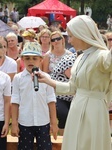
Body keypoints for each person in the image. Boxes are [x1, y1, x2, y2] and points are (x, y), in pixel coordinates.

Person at [37, 15, 112, 150]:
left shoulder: (102, 55)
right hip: (77, 106)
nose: (69, 40)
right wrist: (48, 81)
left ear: (81, 34)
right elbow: (73, 87)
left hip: (94, 109)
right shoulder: (80, 57)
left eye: (71, 36)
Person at [11, 41, 58, 150]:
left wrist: (54, 123)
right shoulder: (18, 78)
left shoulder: (46, 78)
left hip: (43, 122)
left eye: (34, 58)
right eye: (27, 58)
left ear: (41, 59)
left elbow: (51, 101)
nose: (31, 61)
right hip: (25, 122)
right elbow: (15, 102)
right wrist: (14, 123)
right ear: (22, 59)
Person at [42, 30, 76, 135]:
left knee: (72, 116)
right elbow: (44, 73)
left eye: (58, 38)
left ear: (63, 40)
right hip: (55, 91)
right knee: (63, 114)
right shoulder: (48, 55)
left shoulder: (70, 54)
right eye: (53, 40)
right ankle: (62, 139)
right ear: (51, 42)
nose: (56, 41)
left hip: (71, 92)